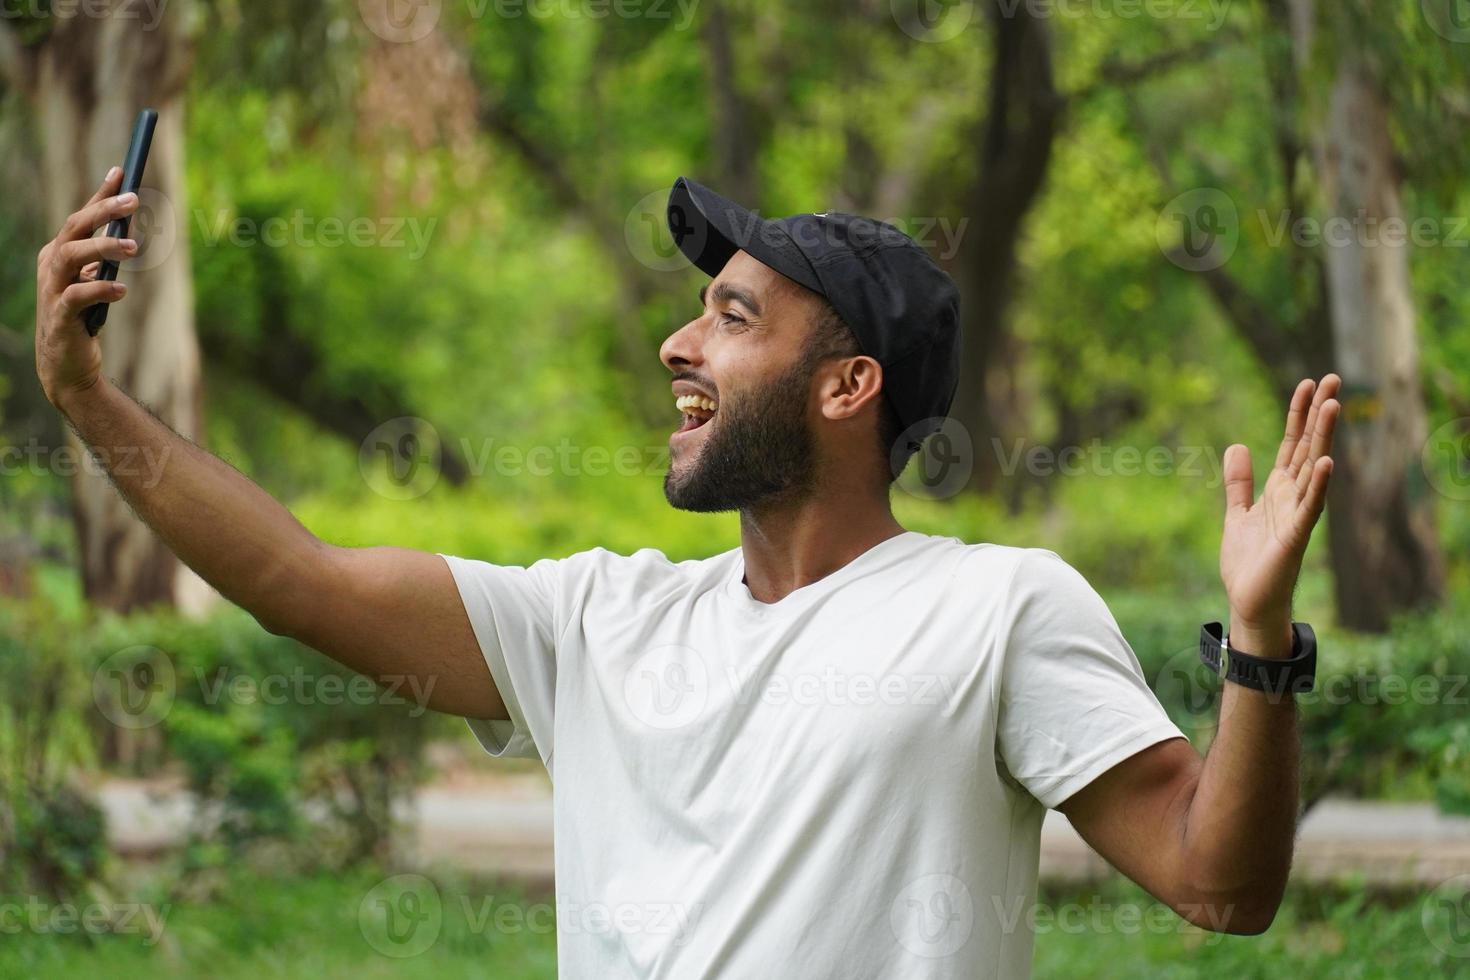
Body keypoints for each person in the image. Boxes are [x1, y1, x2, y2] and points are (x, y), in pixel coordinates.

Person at [35, 169, 1339, 979]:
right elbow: (296, 575)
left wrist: (1259, 636)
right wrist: (87, 400)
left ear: (845, 386)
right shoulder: (596, 618)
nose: (676, 343)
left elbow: (1217, 886)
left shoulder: (994, 607)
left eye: (730, 317)